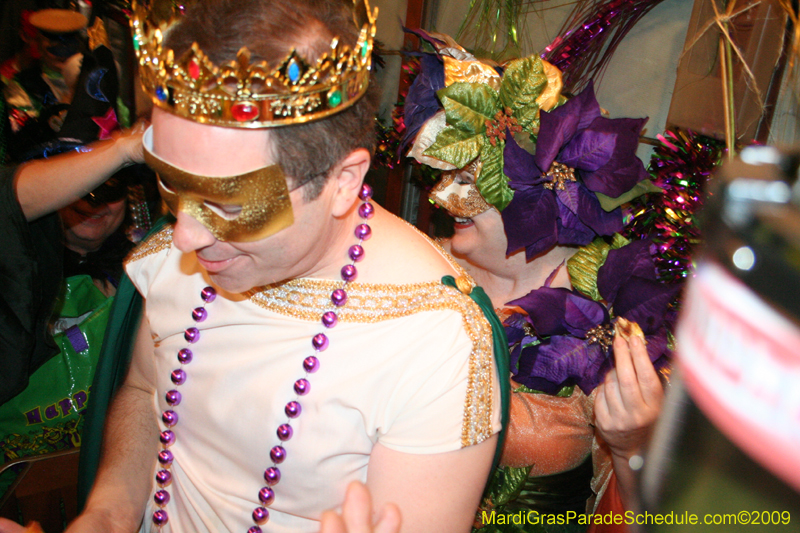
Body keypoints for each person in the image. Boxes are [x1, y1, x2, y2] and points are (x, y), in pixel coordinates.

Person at [3, 1, 506, 532]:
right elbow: (141, 392)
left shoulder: (433, 344)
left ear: (342, 181)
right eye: (173, 185)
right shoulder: (180, 253)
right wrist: (108, 515)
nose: (185, 237)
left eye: (230, 204)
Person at [402, 32, 676, 532]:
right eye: (441, 177)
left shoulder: (613, 316)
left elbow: (652, 516)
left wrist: (634, 448)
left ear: (540, 190)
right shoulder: (409, 269)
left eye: (468, 179)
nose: (443, 198)